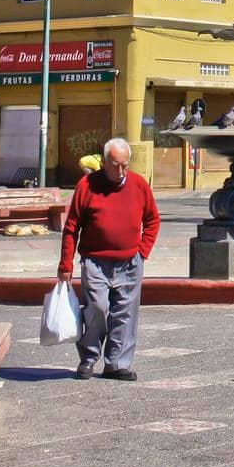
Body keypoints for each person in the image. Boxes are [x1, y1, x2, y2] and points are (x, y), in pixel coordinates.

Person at [58, 138, 160, 382]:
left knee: (125, 312)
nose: (121, 171)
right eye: (115, 165)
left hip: (130, 261)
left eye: (125, 165)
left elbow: (152, 220)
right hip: (95, 260)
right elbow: (72, 227)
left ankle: (117, 363)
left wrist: (142, 251)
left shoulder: (138, 185)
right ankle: (89, 358)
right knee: (97, 308)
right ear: (104, 162)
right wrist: (66, 264)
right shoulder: (87, 185)